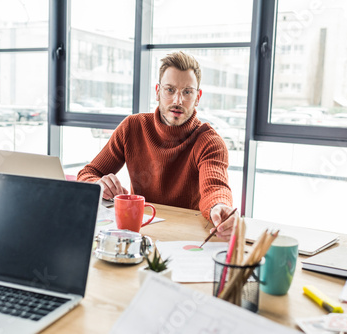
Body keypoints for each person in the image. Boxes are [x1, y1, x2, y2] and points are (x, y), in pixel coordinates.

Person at [78, 51, 236, 239]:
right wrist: (97, 184)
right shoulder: (132, 127)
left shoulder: (210, 142)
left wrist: (219, 206)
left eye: (187, 92)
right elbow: (87, 174)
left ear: (198, 97)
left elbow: (215, 188)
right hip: (140, 233)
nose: (178, 100)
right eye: (170, 90)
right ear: (157, 92)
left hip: (185, 237)